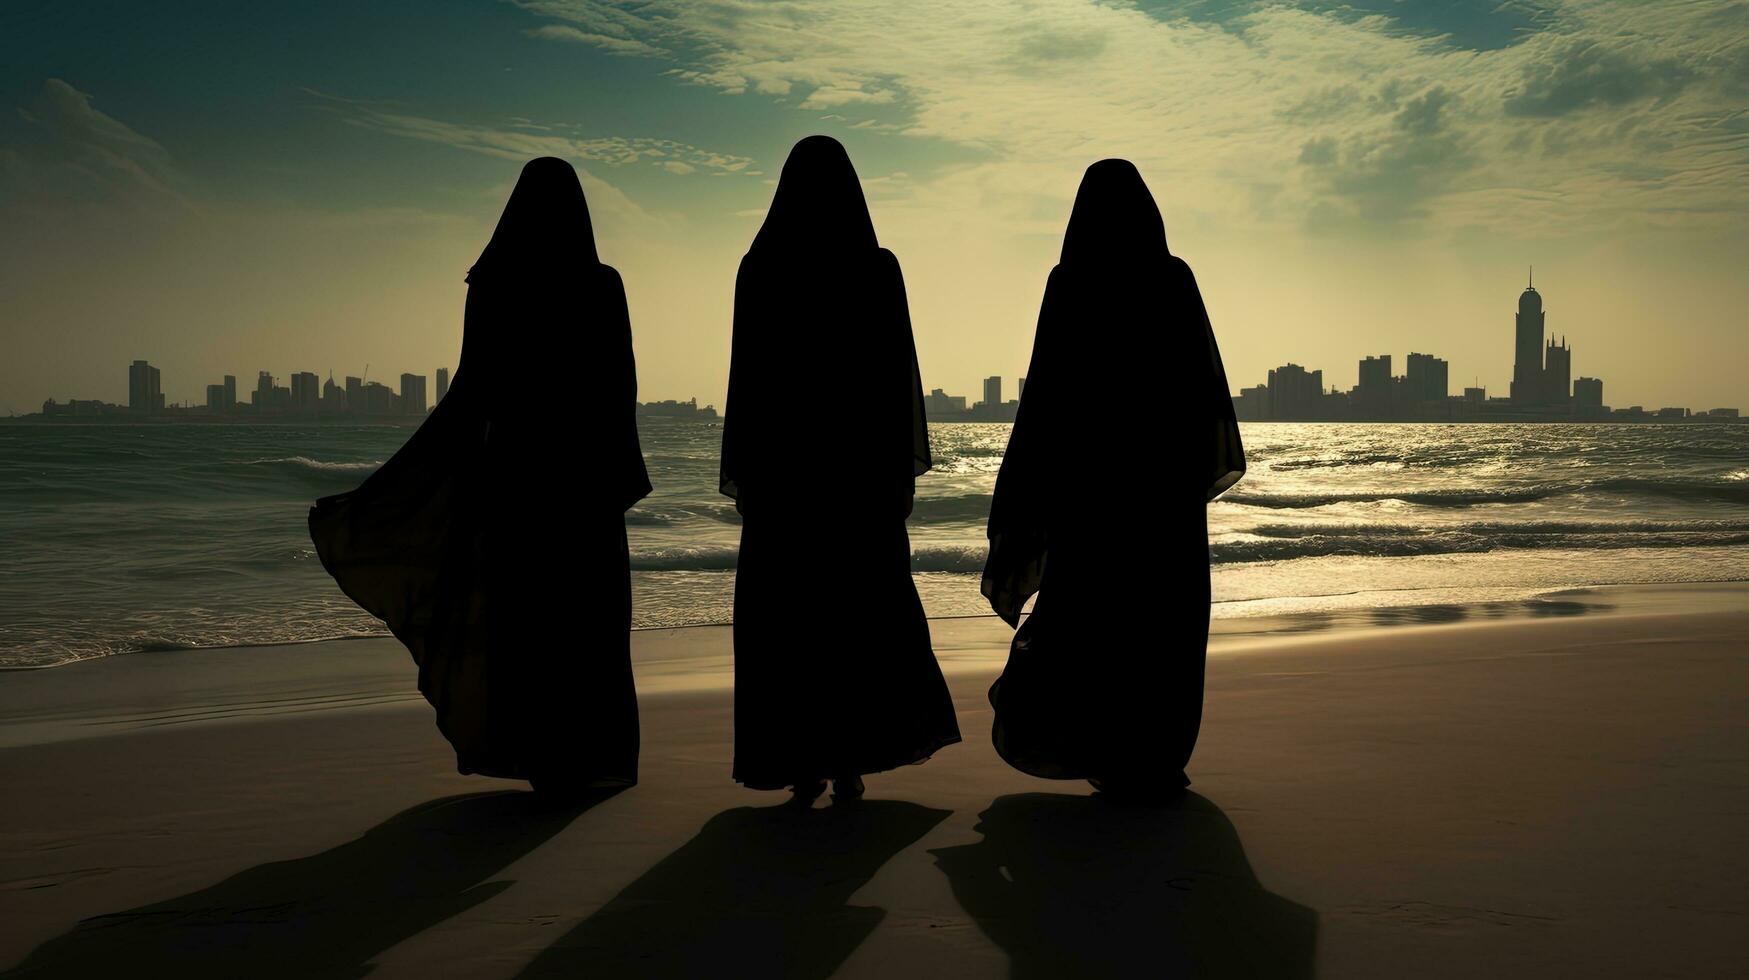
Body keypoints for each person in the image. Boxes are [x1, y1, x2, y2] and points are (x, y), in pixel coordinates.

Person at [309, 156, 650, 792]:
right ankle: (593, 756)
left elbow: (472, 389)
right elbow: (618, 387)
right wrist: (621, 476)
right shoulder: (600, 283)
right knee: (587, 620)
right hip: (585, 480)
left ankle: (541, 758)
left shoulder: (494, 282)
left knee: (526, 619)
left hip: (518, 477)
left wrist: (409, 480)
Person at [979, 158, 1245, 798]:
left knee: (1091, 625)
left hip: (1092, 496)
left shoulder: (1071, 281)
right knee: (1161, 628)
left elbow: (1045, 398)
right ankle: (1153, 755)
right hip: (1162, 498)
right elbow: (1203, 391)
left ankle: (1101, 749)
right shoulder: (1173, 280)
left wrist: (1031, 494)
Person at [720, 135, 961, 802]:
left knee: (788, 623)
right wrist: (898, 476)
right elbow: (893, 383)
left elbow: (749, 385)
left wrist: (747, 473)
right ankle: (854, 757)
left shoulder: (762, 265)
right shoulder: (875, 267)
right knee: (860, 616)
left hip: (784, 480)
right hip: (858, 478)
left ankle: (800, 763)